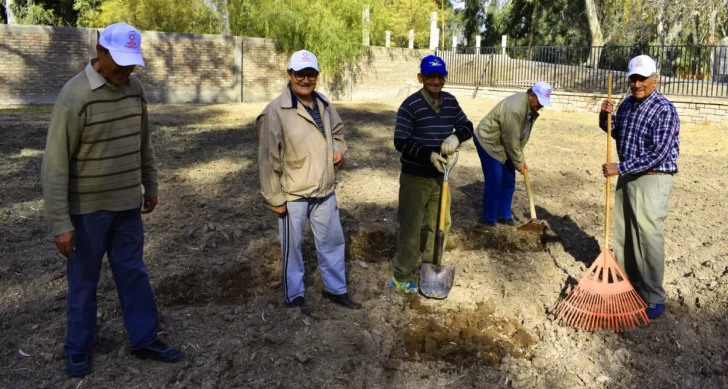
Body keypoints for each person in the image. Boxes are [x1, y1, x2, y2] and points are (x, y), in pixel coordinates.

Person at [41, 22, 182, 378]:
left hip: (127, 208)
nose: (126, 71)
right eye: (119, 63)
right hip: (87, 214)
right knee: (84, 282)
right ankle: (78, 348)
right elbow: (54, 164)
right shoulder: (74, 97)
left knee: (133, 273)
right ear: (100, 52)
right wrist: (61, 223)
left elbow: (143, 142)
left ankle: (144, 338)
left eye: (131, 64)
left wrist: (150, 186)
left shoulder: (134, 90)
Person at [257, 49, 361, 315]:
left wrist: (339, 148)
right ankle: (294, 296)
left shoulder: (324, 104)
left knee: (332, 242)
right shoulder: (275, 111)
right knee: (292, 248)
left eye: (311, 74)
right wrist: (275, 198)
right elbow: (267, 158)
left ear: (317, 76)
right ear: (290, 74)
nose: (306, 79)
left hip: (324, 190)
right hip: (292, 194)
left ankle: (335, 290)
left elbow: (338, 132)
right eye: (300, 74)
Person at [599, 54, 680, 319]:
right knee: (623, 235)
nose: (637, 84)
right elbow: (615, 132)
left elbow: (658, 153)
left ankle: (653, 295)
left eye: (642, 79)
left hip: (653, 178)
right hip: (628, 175)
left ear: (655, 80)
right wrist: (604, 116)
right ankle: (627, 284)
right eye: (633, 79)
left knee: (647, 236)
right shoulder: (627, 105)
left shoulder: (664, 110)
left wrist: (619, 168)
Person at [389, 54, 473, 294]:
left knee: (441, 223)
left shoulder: (451, 102)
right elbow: (400, 142)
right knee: (411, 226)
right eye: (430, 76)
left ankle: (429, 268)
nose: (435, 81)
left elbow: (467, 126)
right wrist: (428, 155)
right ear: (421, 78)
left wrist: (457, 136)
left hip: (441, 177)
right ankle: (401, 275)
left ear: (445, 78)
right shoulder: (410, 105)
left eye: (439, 76)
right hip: (415, 176)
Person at [472, 82, 553, 227]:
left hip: (505, 144)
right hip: (489, 141)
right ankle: (489, 219)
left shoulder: (530, 108)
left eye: (543, 103)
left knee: (509, 180)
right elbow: (510, 138)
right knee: (495, 180)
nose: (541, 105)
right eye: (540, 101)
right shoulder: (516, 108)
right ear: (531, 96)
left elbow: (519, 136)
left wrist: (519, 159)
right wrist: (518, 161)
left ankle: (503, 215)